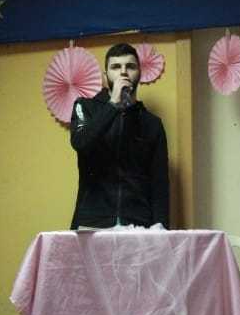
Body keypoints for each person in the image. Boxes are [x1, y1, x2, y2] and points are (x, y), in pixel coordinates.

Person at [69, 43, 169, 229]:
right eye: (115, 67)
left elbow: (160, 183)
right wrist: (113, 104)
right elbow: (81, 142)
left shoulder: (152, 123)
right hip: (92, 222)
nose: (123, 72)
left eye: (130, 66)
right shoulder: (85, 107)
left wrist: (161, 228)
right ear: (105, 75)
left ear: (139, 73)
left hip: (138, 223)